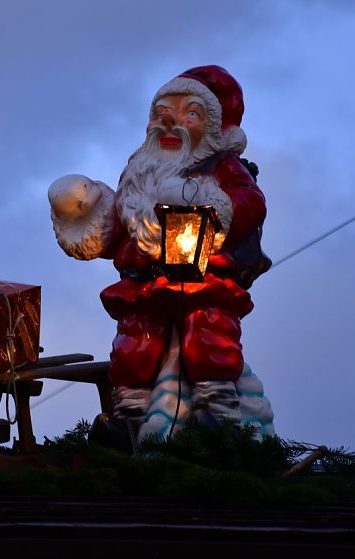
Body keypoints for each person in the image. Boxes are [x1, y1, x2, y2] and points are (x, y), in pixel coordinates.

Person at [48, 65, 275, 449]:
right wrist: (87, 213)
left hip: (205, 279)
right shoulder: (139, 171)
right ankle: (131, 417)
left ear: (216, 128)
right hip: (145, 282)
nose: (170, 121)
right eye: (161, 112)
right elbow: (120, 221)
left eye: (191, 113)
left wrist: (209, 204)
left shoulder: (223, 169)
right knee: (134, 346)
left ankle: (217, 412)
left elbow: (249, 204)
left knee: (209, 337)